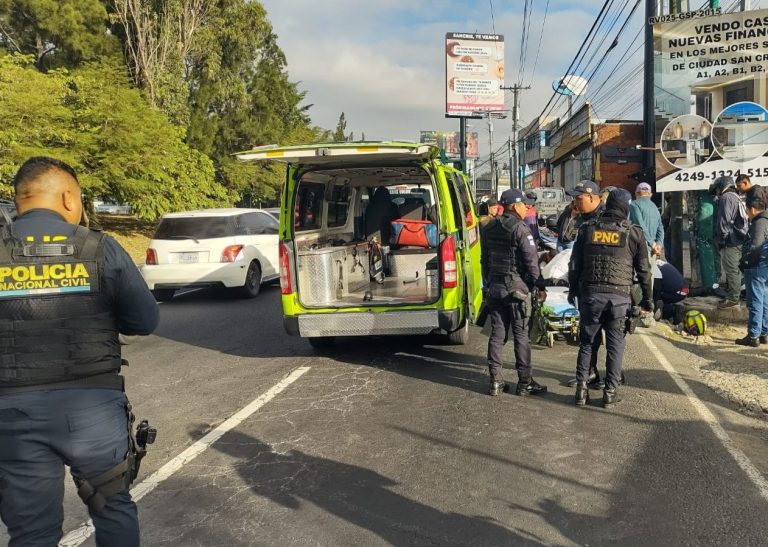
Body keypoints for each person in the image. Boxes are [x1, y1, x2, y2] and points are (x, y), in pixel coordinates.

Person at [0, 157, 159, 546]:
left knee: (31, 532)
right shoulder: (100, 248)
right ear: (69, 197)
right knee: (112, 508)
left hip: (13, 414)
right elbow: (144, 320)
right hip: (93, 413)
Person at [568, 188, 652, 407]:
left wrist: (572, 291)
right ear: (626, 208)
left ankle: (581, 390)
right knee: (615, 345)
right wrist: (647, 300)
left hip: (591, 295)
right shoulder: (633, 232)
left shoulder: (587, 229)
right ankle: (610, 392)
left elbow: (575, 264)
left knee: (587, 343)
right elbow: (644, 270)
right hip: (619, 298)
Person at [482, 188, 548, 397]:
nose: (526, 208)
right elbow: (531, 261)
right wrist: (540, 285)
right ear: (514, 205)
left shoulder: (489, 227)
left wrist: (489, 282)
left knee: (497, 334)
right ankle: (525, 382)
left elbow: (485, 259)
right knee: (521, 336)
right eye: (523, 204)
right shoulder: (520, 229)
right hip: (515, 289)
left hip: (494, 287)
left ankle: (495, 381)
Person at [737, 186, 768, 347]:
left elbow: (755, 246)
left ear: (753, 209)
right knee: (764, 300)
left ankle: (753, 335)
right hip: (765, 267)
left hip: (757, 268)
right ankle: (763, 333)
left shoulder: (759, 223)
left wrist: (746, 263)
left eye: (748, 211)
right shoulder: (766, 220)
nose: (747, 215)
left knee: (755, 301)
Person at [713, 176, 748, 309]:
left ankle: (733, 298)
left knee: (731, 269)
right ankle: (734, 295)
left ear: (723, 186)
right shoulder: (735, 196)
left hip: (731, 241)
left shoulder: (726, 197)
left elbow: (724, 222)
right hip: (739, 239)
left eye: (717, 189)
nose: (717, 192)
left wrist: (722, 240)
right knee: (736, 269)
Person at [556, 180, 605, 251]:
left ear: (590, 197)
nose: (575, 203)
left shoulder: (606, 218)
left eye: (578, 199)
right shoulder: (583, 215)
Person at [629, 182, 664, 261]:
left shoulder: (634, 205)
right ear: (650, 194)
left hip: (639, 250)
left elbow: (640, 226)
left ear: (636, 193)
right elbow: (661, 229)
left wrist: (652, 244)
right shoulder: (655, 207)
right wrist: (659, 244)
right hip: (653, 251)